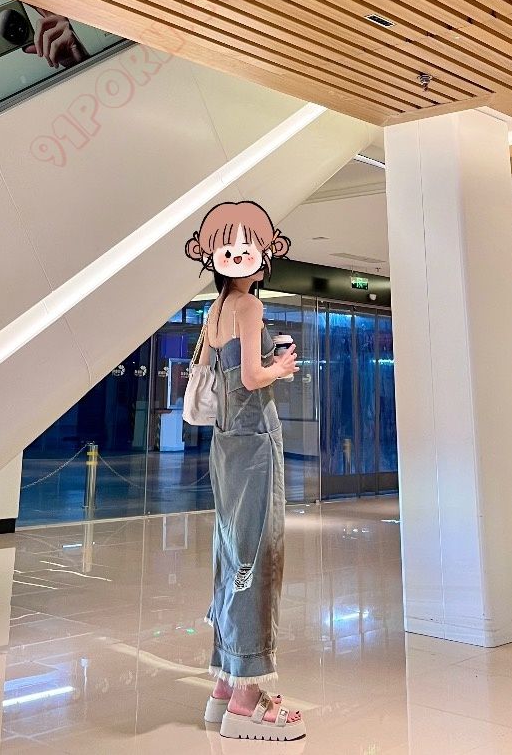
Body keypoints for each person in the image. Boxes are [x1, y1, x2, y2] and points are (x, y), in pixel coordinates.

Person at [185, 201, 307, 742]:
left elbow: (223, 376)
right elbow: (254, 377)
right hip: (255, 437)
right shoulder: (250, 305)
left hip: (225, 441)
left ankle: (224, 684)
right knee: (258, 554)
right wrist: (281, 366)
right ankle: (247, 696)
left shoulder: (214, 311)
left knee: (231, 551)